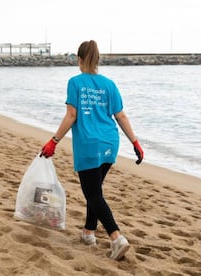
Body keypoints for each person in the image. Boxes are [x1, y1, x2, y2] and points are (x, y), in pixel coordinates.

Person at [40, 40, 144, 261]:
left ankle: (116, 238)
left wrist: (54, 141)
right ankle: (88, 232)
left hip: (88, 144)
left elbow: (72, 115)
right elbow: (121, 116)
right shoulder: (109, 84)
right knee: (94, 190)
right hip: (110, 142)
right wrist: (135, 142)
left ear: (79, 60)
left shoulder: (75, 82)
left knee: (93, 193)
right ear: (98, 61)